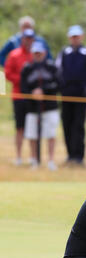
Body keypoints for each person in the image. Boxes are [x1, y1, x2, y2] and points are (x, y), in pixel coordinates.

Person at [56, 25, 86, 166]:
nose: (75, 39)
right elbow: (58, 71)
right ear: (69, 37)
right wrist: (62, 88)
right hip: (66, 95)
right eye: (73, 36)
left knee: (79, 125)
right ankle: (70, 155)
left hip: (81, 96)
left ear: (82, 37)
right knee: (67, 124)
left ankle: (79, 155)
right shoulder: (64, 52)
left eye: (77, 36)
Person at [21, 41, 60, 170]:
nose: (37, 55)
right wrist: (32, 93)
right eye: (35, 53)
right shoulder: (27, 68)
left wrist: (43, 90)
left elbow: (58, 84)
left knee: (50, 134)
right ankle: (34, 160)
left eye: (39, 53)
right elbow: (23, 88)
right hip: (32, 108)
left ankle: (51, 160)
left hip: (49, 107)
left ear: (45, 53)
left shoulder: (52, 67)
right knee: (32, 134)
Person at [4, 28, 35, 166]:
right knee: (20, 128)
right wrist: (23, 80)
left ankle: (33, 157)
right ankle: (18, 156)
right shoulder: (14, 55)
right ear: (22, 39)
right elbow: (8, 73)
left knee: (33, 127)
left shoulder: (35, 55)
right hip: (18, 96)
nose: (28, 41)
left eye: (30, 38)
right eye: (26, 38)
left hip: (32, 98)